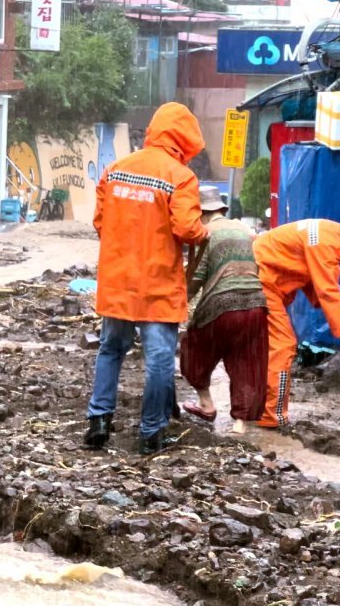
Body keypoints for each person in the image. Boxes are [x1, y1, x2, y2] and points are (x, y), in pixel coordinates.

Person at [83, 102, 209, 455]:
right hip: (157, 286)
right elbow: (186, 227)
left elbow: (100, 224)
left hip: (118, 281)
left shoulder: (116, 169)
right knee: (159, 360)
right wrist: (202, 235)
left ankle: (99, 421)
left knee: (110, 349)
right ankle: (151, 432)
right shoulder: (180, 177)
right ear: (185, 138)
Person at [179, 186, 267, 435]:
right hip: (256, 304)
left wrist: (180, 302)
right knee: (245, 359)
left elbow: (196, 276)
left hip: (221, 306)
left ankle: (206, 404)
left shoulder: (205, 233)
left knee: (194, 347)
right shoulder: (243, 230)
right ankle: (240, 422)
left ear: (199, 212)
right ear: (221, 208)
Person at [252, 219, 340, 430]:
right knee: (283, 345)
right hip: (260, 281)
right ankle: (272, 416)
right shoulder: (326, 244)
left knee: (266, 348)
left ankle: (255, 408)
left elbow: (318, 290)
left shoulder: (331, 235)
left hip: (259, 277)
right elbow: (327, 293)